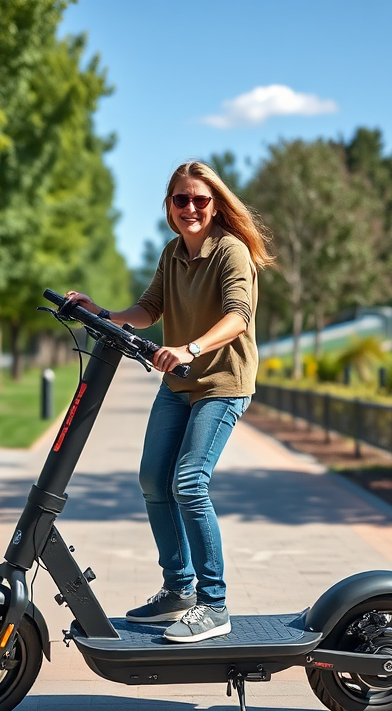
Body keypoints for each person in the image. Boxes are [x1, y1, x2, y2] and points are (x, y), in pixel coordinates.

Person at [65, 160, 274, 643]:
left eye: (200, 199)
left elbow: (239, 316)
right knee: (152, 479)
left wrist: (189, 347)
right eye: (181, 199)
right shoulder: (172, 253)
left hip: (222, 382)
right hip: (179, 384)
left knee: (189, 481)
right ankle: (178, 589)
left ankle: (214, 604)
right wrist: (105, 313)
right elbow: (150, 308)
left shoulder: (231, 252)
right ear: (169, 205)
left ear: (216, 204)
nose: (191, 208)